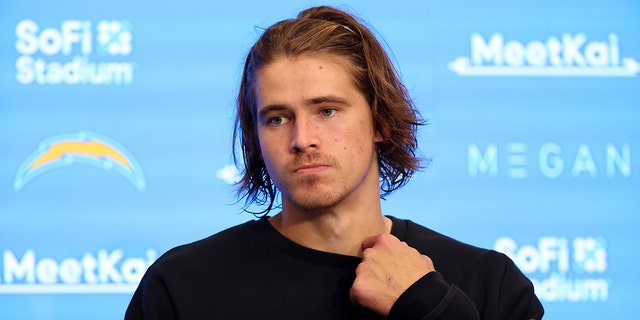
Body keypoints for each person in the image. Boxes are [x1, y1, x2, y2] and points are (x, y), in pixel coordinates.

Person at [125, 5, 544, 320]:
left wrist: (430, 307)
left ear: (380, 121)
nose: (302, 139)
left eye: (327, 110)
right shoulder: (182, 287)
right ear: (256, 136)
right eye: (277, 118)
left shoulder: (488, 284)